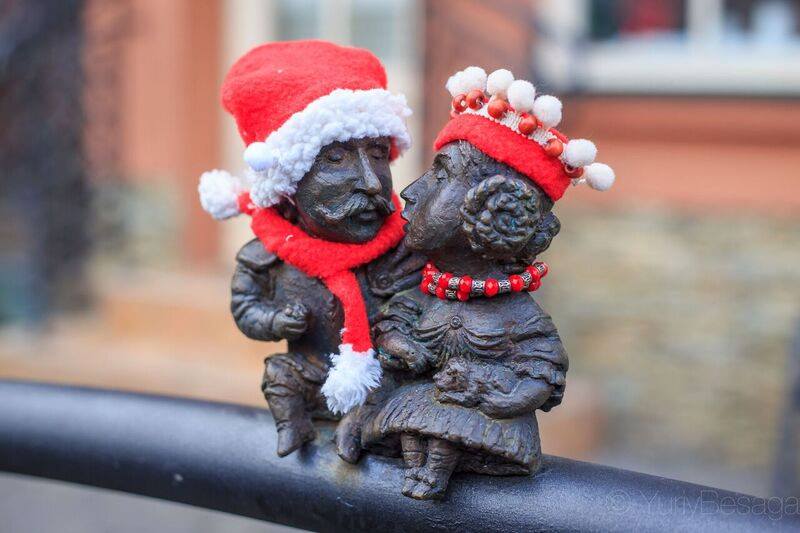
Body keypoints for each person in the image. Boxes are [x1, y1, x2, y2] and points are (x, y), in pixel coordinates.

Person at [338, 66, 615, 499]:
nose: (411, 191)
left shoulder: (519, 316)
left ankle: (433, 470)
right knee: (411, 424)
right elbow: (395, 324)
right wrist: (398, 345)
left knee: (444, 433)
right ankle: (417, 465)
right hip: (420, 407)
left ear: (491, 209)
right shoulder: (423, 294)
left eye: (441, 175)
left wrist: (507, 399)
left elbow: (542, 368)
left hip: (481, 416)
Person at [198, 40, 423, 457]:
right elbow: (246, 307)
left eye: (378, 154)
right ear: (289, 182)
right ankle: (294, 429)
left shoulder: (408, 249)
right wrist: (275, 321)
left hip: (386, 383)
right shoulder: (267, 257)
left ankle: (362, 429)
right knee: (280, 377)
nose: (371, 182)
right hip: (310, 370)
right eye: (336, 159)